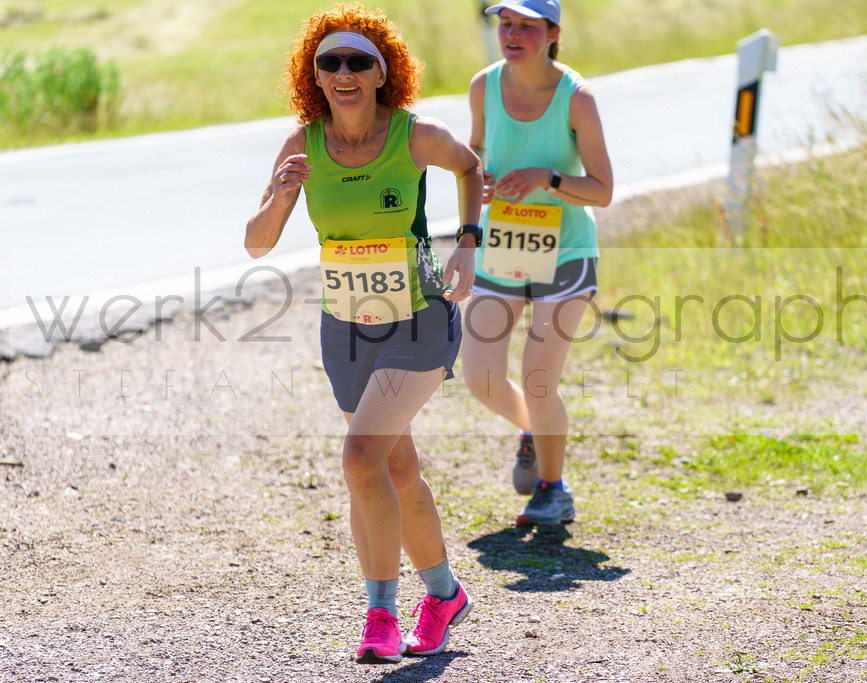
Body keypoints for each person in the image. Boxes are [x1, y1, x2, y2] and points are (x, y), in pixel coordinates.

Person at [245, 4, 484, 665]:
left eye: (359, 61)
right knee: (395, 467)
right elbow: (257, 244)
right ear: (315, 77)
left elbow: (470, 168)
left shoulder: (416, 136)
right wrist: (279, 197)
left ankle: (381, 614)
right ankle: (445, 595)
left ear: (384, 73)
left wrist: (468, 243)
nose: (344, 72)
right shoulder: (302, 146)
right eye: (330, 62)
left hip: (419, 318)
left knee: (359, 459)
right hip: (346, 329)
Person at [463, 0, 613, 526]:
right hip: (503, 246)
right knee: (480, 377)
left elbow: (602, 190)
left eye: (527, 26)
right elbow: (474, 155)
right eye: (505, 23)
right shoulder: (483, 86)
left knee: (538, 379)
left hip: (566, 253)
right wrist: (478, 182)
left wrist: (545, 178)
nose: (512, 34)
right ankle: (535, 430)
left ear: (552, 33)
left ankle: (554, 489)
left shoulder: (577, 98)